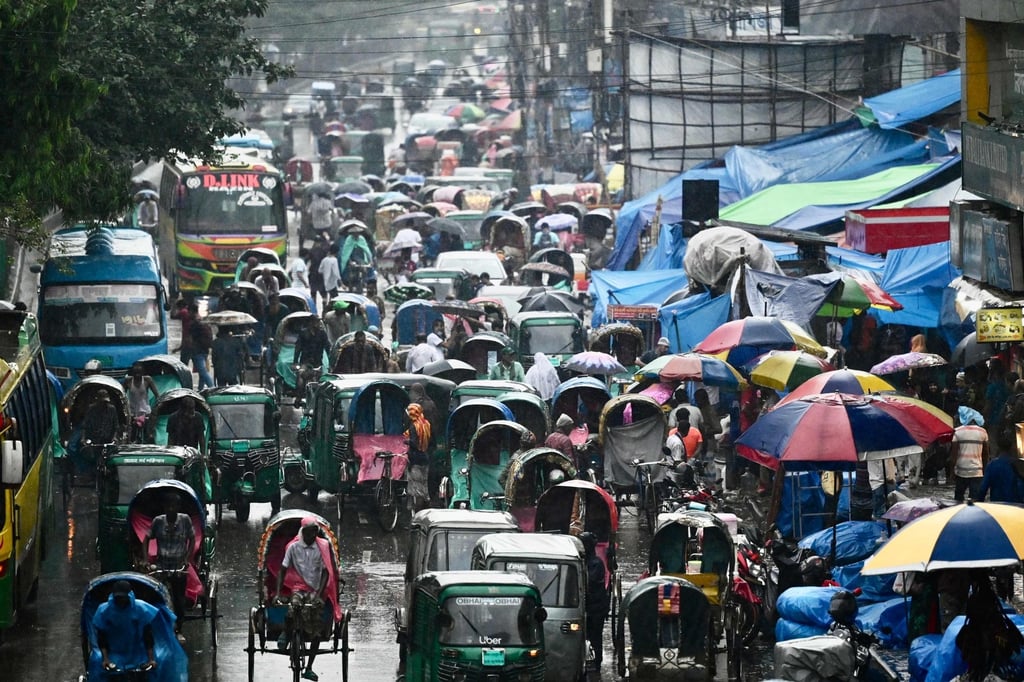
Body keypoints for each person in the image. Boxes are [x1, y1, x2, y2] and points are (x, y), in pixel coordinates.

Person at [275, 518, 341, 682]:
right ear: (303, 531)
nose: (313, 534)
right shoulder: (293, 547)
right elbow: (283, 569)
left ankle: (309, 667)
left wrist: (318, 593)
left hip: (317, 590)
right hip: (298, 588)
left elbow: (326, 572)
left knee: (316, 630)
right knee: (293, 606)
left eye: (315, 531)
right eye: (309, 531)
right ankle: (286, 632)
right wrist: (277, 593)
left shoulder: (323, 547)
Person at [141, 493, 195, 639]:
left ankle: (179, 629)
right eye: (168, 506)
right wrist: (146, 560)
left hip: (179, 566)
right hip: (162, 565)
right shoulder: (158, 521)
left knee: (179, 599)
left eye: (174, 506)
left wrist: (187, 559)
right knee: (158, 597)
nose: (171, 509)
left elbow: (192, 538)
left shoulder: (185, 520)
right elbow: (146, 539)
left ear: (178, 507)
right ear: (164, 508)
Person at [92, 580, 158, 673]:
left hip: (139, 652)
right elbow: (102, 637)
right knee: (97, 665)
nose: (120, 600)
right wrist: (105, 659)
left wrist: (151, 659)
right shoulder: (104, 610)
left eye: (123, 597)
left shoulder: (140, 608)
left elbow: (148, 636)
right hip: (114, 653)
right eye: (118, 597)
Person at [581, 532, 609, 672]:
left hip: (596, 607)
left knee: (596, 635)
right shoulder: (583, 562)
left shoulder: (596, 563)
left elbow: (590, 582)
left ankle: (597, 662)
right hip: (586, 606)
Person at [951, 406, 988, 502]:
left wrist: (952, 471)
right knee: (975, 500)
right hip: (977, 472)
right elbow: (986, 454)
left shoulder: (957, 431)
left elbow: (954, 454)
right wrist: (984, 471)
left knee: (958, 499)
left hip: (961, 471)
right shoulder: (983, 432)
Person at [978, 427, 1024, 503]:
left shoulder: (992, 465)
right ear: (1012, 447)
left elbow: (983, 488)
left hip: (998, 505)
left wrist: (979, 503)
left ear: (998, 448)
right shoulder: (1018, 464)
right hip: (1016, 506)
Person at [405, 403, 432, 513]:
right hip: (425, 457)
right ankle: (426, 508)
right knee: (424, 484)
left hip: (415, 458)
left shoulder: (414, 426)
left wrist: (406, 441)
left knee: (416, 487)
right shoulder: (426, 424)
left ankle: (418, 513)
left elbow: (414, 443)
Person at [294, 317, 331, 398]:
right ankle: (298, 396)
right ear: (311, 323)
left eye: (319, 322)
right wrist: (295, 362)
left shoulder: (322, 334)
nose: (318, 324)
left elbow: (327, 347)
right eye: (316, 322)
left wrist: (330, 361)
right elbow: (298, 348)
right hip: (305, 361)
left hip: (318, 362)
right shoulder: (303, 333)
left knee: (321, 381)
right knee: (300, 376)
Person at [80, 388, 122, 458]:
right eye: (102, 402)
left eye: (105, 402)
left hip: (108, 439)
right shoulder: (91, 409)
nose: (104, 404)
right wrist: (83, 438)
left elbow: (116, 426)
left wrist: (114, 437)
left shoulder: (112, 409)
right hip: (95, 439)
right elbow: (85, 425)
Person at [123, 364, 157, 442]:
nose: (137, 375)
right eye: (135, 373)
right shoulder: (128, 381)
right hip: (132, 411)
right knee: (131, 435)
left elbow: (156, 394)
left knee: (147, 434)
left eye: (139, 373)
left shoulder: (147, 380)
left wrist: (156, 407)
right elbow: (123, 394)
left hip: (145, 411)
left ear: (142, 373)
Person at [188, 312, 215, 390]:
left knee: (203, 372)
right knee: (202, 372)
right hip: (205, 351)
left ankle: (212, 388)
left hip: (197, 352)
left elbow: (189, 339)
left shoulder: (194, 326)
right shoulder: (206, 326)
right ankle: (200, 389)